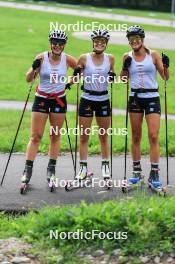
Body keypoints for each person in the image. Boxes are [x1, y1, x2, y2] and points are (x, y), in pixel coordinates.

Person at [21, 30, 77, 185]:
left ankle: (51, 170)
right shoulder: (41, 57)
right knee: (36, 136)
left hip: (59, 100)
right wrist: (33, 68)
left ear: (64, 45)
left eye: (60, 43)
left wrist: (69, 83)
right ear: (50, 43)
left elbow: (80, 69)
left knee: (55, 136)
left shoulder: (67, 59)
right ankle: (27, 170)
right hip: (42, 99)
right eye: (55, 43)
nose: (57, 46)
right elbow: (28, 79)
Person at [120, 25, 169, 187]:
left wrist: (166, 66)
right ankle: (136, 171)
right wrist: (124, 67)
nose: (134, 42)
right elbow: (124, 80)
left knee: (153, 135)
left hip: (152, 98)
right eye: (131, 39)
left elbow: (165, 77)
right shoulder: (126, 56)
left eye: (137, 39)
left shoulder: (153, 55)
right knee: (135, 136)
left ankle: (154, 173)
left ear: (142, 40)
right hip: (135, 98)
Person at [68, 29, 116, 181]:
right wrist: (70, 81)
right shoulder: (84, 58)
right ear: (93, 42)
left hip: (103, 100)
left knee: (103, 136)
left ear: (106, 43)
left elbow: (111, 78)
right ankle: (82, 168)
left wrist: (112, 77)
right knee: (83, 136)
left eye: (102, 41)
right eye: (97, 41)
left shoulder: (111, 58)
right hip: (87, 99)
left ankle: (105, 166)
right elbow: (75, 78)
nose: (99, 43)